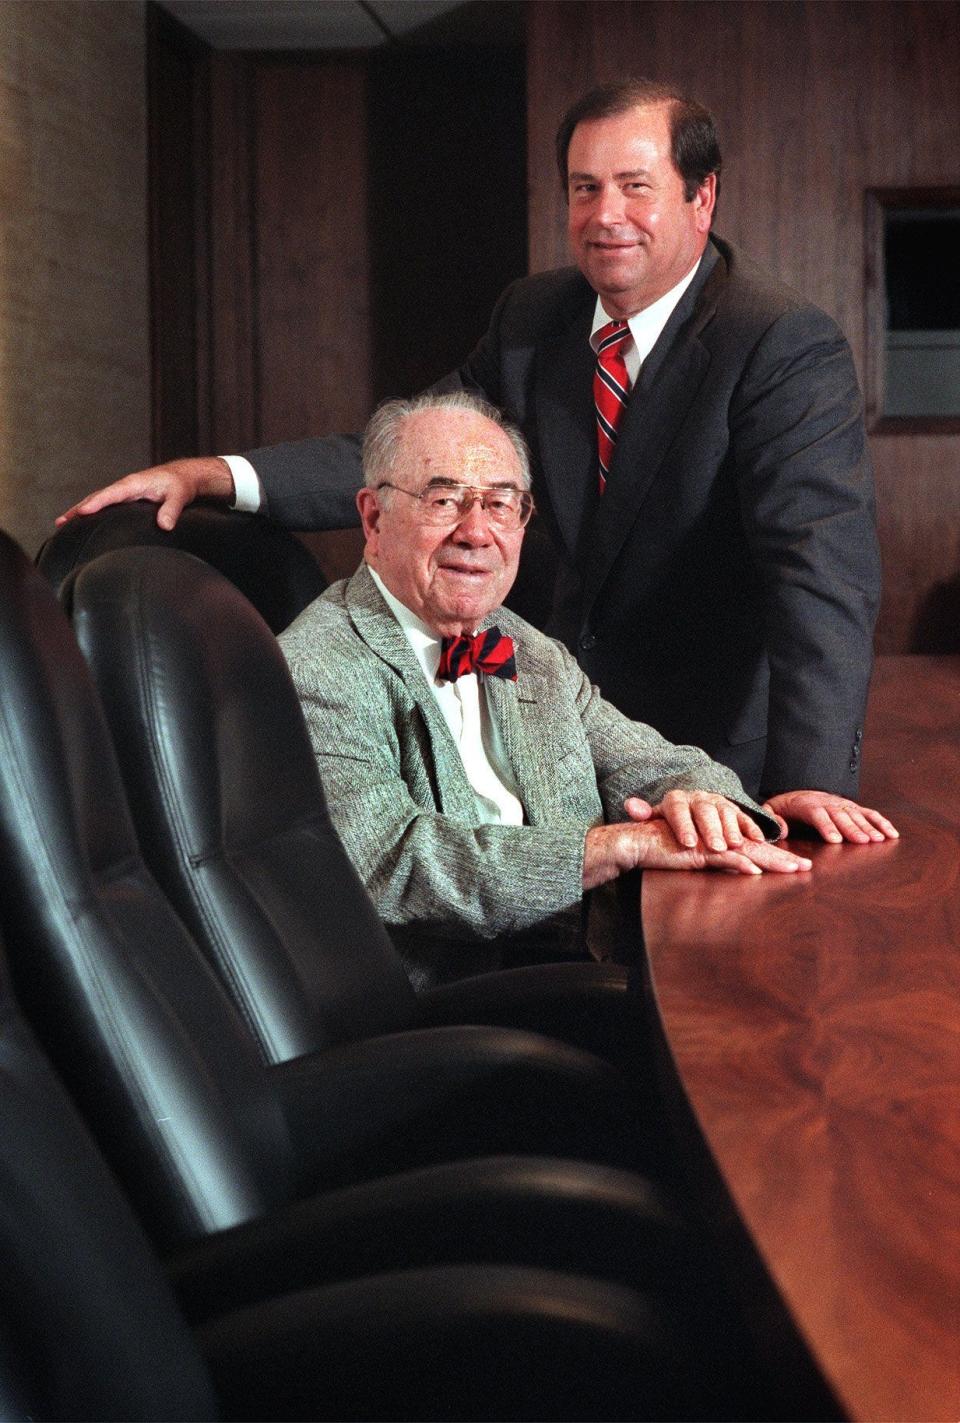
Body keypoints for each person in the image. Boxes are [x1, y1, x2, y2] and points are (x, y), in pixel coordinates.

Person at [59, 78, 880, 802]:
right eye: (584, 188)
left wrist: (807, 781)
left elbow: (817, 577)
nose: (606, 216)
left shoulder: (777, 343)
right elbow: (406, 457)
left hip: (705, 756)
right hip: (543, 739)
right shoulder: (534, 318)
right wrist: (211, 474)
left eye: (637, 187)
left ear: (703, 198)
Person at [277, 392, 895, 989]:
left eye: (501, 504)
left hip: (584, 964)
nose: (476, 531)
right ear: (373, 516)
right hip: (447, 1011)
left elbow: (651, 761)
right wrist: (610, 847)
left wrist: (708, 804)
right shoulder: (316, 667)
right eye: (445, 500)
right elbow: (398, 863)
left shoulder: (525, 647)